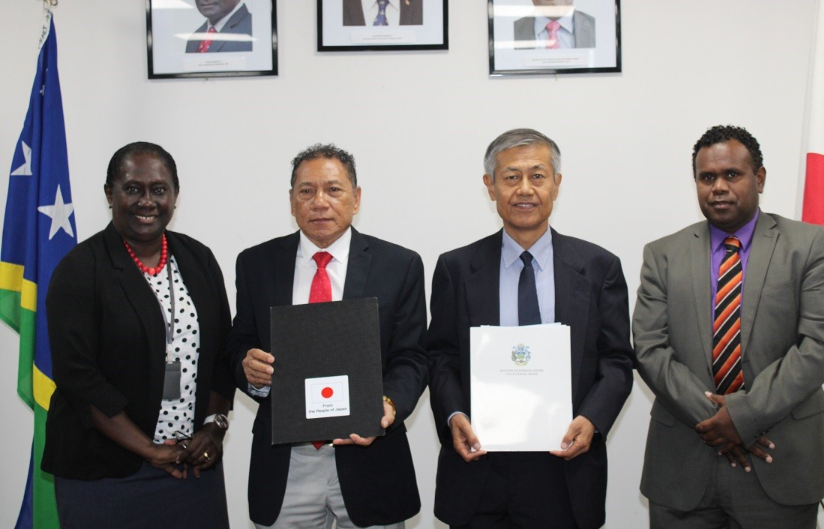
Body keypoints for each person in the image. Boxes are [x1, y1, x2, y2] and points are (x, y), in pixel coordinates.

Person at [632, 125, 824, 528]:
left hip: (780, 461)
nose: (718, 187)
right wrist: (719, 422)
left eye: (732, 174)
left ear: (759, 178)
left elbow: (820, 345)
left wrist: (744, 414)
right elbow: (648, 348)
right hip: (684, 464)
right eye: (706, 177)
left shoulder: (809, 245)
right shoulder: (662, 254)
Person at [426, 129, 634, 528]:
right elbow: (440, 357)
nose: (525, 189)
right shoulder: (456, 268)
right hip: (479, 470)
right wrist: (454, 415)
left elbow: (617, 360)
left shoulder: (598, 267)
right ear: (490, 187)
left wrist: (592, 419)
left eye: (537, 176)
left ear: (557, 184)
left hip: (565, 471)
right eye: (510, 177)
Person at [229, 144, 427, 528]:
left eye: (333, 190)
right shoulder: (255, 264)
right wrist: (246, 367)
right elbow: (238, 344)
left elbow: (413, 357)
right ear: (291, 201)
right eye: (306, 191)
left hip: (369, 456)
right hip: (287, 462)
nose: (319, 202)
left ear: (356, 198)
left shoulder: (399, 265)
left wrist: (386, 405)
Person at [42, 142, 234, 528]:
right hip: (104, 476)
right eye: (133, 188)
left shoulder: (199, 260)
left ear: (175, 197)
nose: (147, 201)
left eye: (159, 189)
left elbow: (222, 359)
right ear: (109, 194)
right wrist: (150, 450)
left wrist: (214, 428)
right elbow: (79, 378)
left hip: (192, 470)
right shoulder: (80, 270)